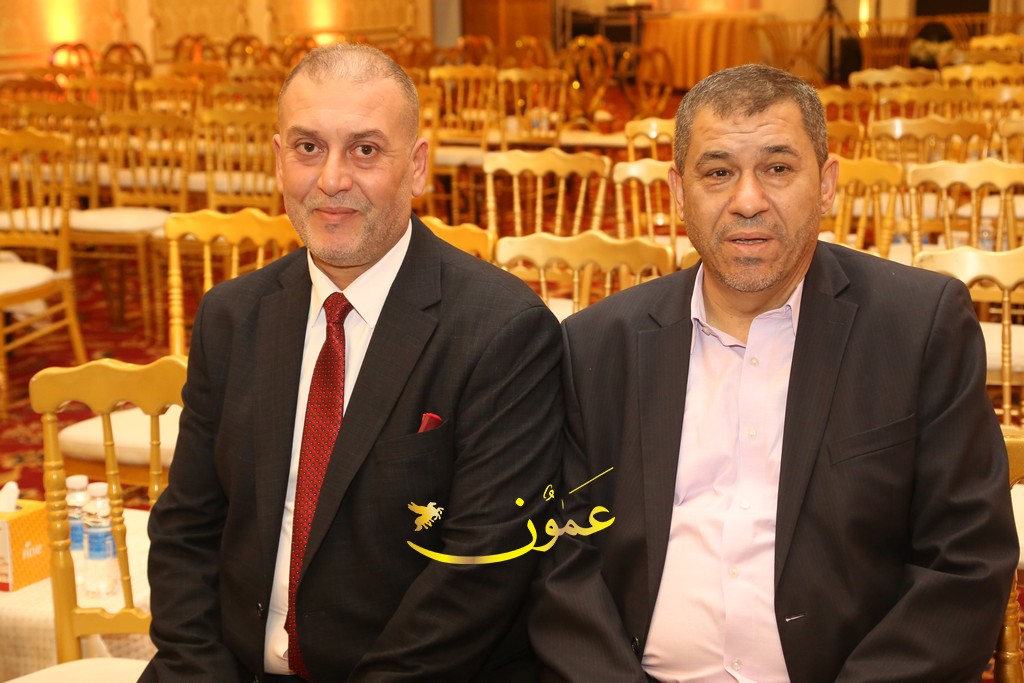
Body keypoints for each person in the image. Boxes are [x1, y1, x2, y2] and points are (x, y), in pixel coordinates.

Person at [529, 64, 1017, 682]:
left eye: (778, 168)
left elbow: (966, 561)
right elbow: (561, 560)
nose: (748, 201)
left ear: (827, 184)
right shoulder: (597, 345)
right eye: (718, 172)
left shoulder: (918, 327)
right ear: (678, 192)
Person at [142, 44, 563, 682]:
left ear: (416, 167)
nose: (332, 178)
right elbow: (186, 529)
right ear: (278, 160)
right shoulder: (231, 316)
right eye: (309, 147)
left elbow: (477, 575)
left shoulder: (503, 331)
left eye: (365, 150)